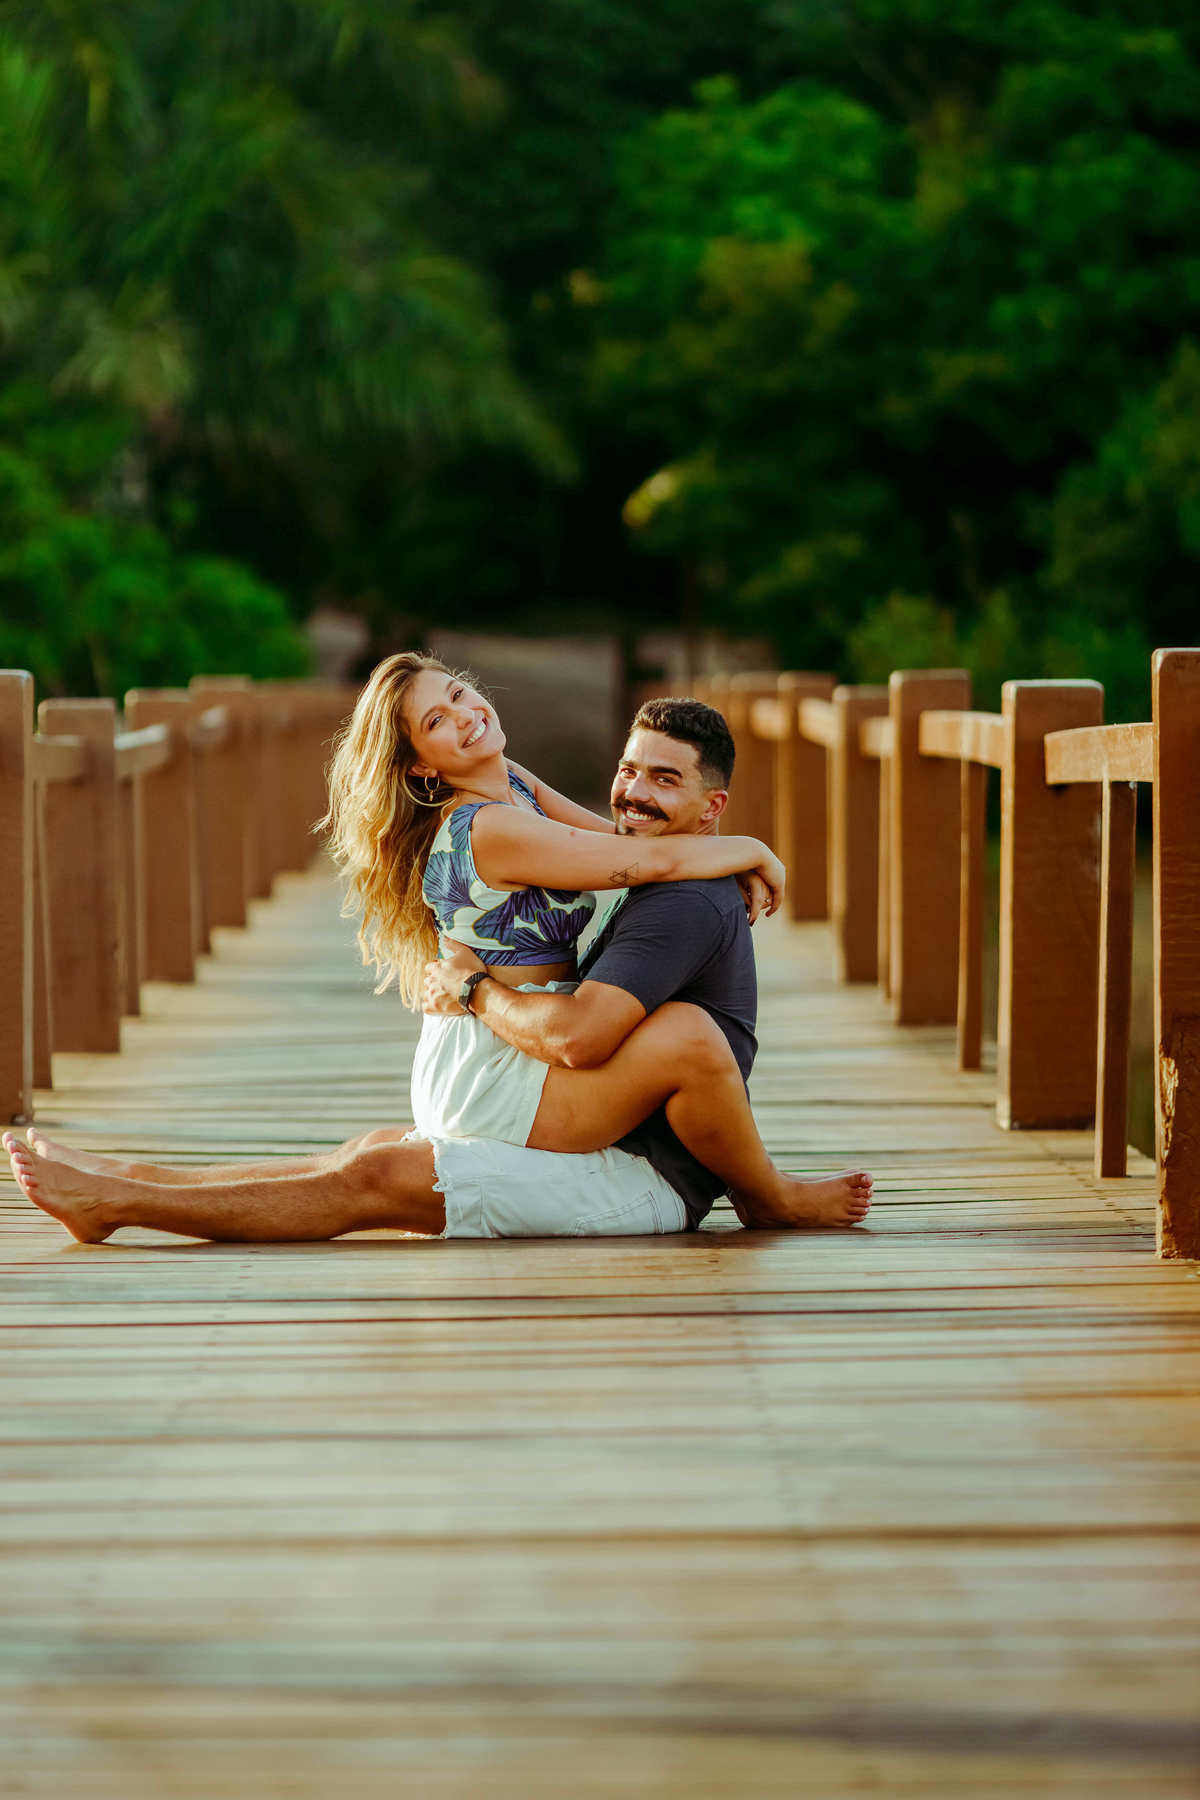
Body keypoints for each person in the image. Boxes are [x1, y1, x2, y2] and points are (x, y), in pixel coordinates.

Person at [5, 669, 872, 1243]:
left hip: (498, 1053)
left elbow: (617, 841)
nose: (464, 715)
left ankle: (118, 1178)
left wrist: (723, 847)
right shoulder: (488, 822)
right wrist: (752, 845)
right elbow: (639, 858)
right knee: (375, 1171)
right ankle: (117, 1198)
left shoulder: (516, 786)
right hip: (503, 1062)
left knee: (364, 1157)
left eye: (458, 693)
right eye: (435, 720)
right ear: (421, 767)